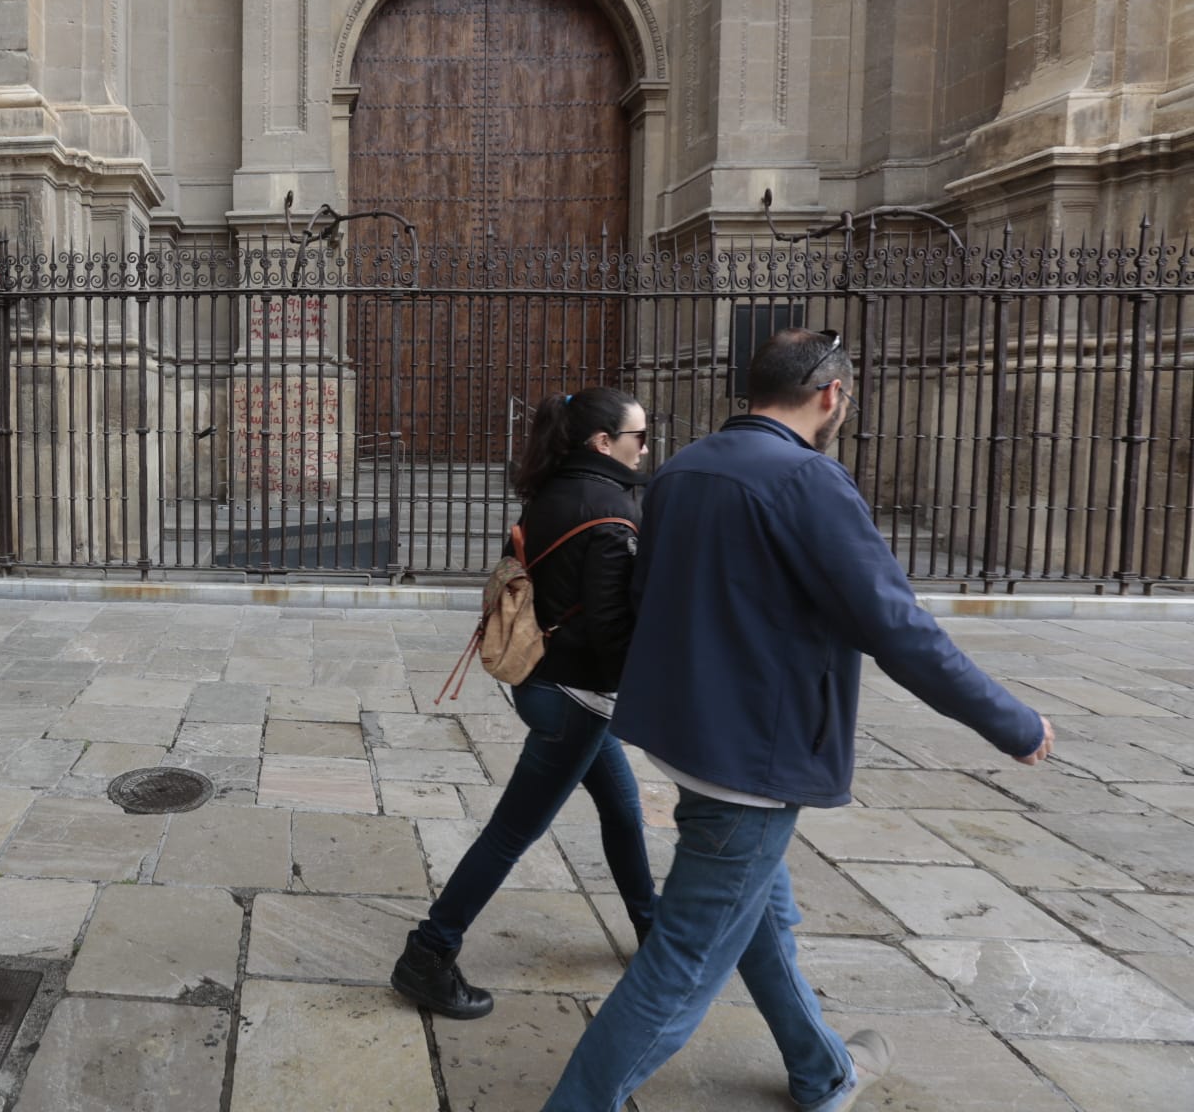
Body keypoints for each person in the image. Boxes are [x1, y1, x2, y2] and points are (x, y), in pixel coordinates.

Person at [541, 328, 1055, 1112]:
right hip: (753, 755)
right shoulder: (809, 481)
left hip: (690, 737)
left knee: (763, 917)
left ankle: (822, 1072)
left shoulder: (684, 469)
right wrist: (1012, 722)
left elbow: (651, 601)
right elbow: (896, 627)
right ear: (831, 395)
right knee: (681, 964)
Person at [392, 387, 659, 1020]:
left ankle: (654, 930)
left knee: (622, 812)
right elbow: (610, 626)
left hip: (544, 684)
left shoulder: (550, 492)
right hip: (576, 697)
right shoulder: (613, 510)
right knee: (512, 833)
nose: (644, 447)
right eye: (639, 437)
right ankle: (428, 954)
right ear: (604, 442)